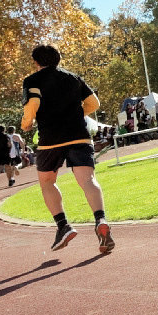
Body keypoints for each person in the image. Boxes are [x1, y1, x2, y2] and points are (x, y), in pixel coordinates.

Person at [21, 44, 114, 256]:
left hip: (51, 139)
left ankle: (63, 225)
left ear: (36, 62)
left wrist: (26, 123)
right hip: (79, 135)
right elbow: (94, 103)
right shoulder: (74, 78)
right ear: (58, 59)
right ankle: (101, 219)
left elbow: (33, 101)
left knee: (47, 182)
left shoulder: (32, 80)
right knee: (88, 180)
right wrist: (77, 114)